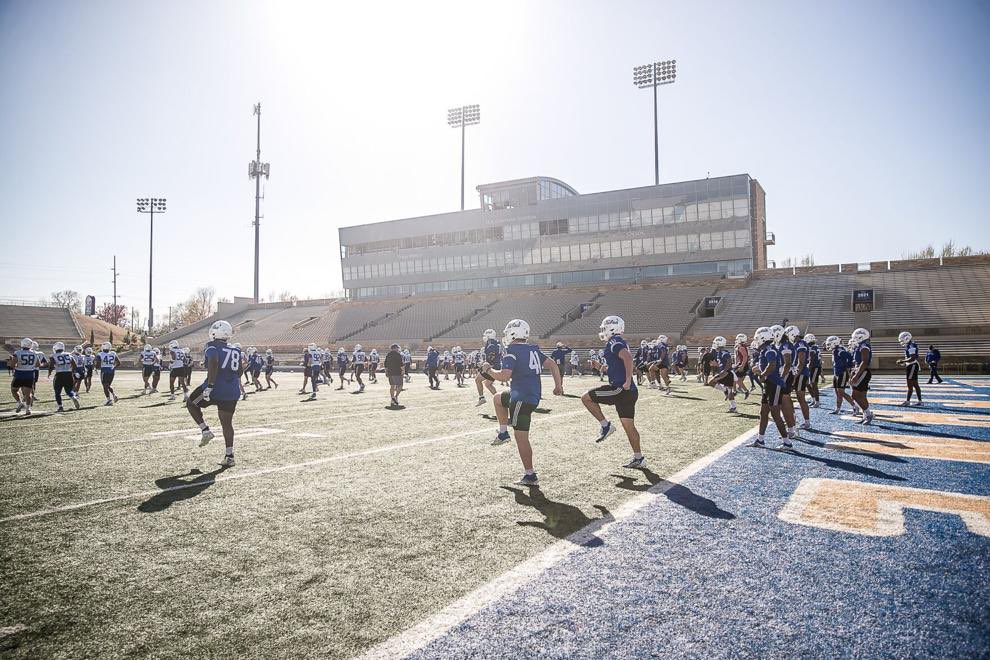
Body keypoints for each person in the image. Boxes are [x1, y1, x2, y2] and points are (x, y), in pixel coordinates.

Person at [482, 319, 563, 486]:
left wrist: (488, 370)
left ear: (512, 333)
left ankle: (530, 474)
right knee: (497, 399)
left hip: (521, 399)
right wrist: (558, 385)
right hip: (528, 395)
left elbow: (504, 376)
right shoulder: (532, 349)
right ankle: (503, 432)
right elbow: (553, 364)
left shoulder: (512, 350)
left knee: (522, 438)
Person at [581, 315, 643, 468]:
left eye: (604, 328)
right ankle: (639, 457)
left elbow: (628, 358)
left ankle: (605, 425)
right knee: (629, 426)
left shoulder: (614, 341)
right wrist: (600, 367)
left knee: (586, 398)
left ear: (612, 328)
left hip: (620, 389)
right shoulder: (617, 342)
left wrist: (628, 380)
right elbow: (616, 369)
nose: (603, 331)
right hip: (628, 391)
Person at [186, 320, 243, 467]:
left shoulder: (212, 346)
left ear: (215, 332)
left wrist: (210, 386)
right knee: (227, 424)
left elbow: (213, 361)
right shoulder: (236, 350)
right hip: (232, 391)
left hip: (215, 388)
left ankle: (205, 430)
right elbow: (240, 371)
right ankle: (229, 456)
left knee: (191, 403)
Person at [747, 326, 792, 449]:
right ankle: (760, 440)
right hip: (769, 385)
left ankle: (787, 442)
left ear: (762, 338)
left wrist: (762, 374)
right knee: (763, 412)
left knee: (775, 414)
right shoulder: (766, 350)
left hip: (774, 384)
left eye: (757, 338)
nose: (756, 341)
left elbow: (772, 365)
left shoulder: (769, 349)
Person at [772, 324, 799, 439]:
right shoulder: (784, 344)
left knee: (784, 403)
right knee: (786, 402)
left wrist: (781, 378)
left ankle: (792, 428)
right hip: (787, 375)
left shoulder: (785, 346)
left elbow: (787, 364)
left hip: (786, 375)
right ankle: (792, 426)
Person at [848, 327, 874, 425]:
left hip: (863, 372)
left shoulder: (864, 346)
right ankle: (866, 415)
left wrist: (856, 375)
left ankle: (868, 414)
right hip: (861, 371)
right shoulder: (860, 346)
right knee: (862, 395)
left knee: (855, 395)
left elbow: (864, 362)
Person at [825, 335, 857, 415]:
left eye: (829, 344)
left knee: (841, 392)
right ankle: (838, 409)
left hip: (842, 373)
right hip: (837, 373)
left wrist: (849, 376)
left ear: (834, 343)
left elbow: (847, 364)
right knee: (837, 392)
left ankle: (855, 406)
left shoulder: (841, 351)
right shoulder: (836, 350)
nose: (828, 346)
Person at [788, 326, 812, 430]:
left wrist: (794, 376)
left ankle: (806, 422)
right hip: (797, 373)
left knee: (801, 398)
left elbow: (801, 363)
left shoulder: (801, 344)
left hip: (801, 373)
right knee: (789, 397)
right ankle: (793, 420)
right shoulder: (797, 344)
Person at [47, 342, 82, 412]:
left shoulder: (53, 356)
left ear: (55, 348)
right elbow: (74, 364)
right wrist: (73, 372)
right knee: (69, 390)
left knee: (57, 392)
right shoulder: (69, 354)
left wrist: (49, 372)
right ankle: (73, 397)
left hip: (59, 374)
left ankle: (60, 407)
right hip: (68, 374)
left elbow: (51, 365)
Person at [708, 336, 737, 412]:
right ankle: (726, 392)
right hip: (725, 372)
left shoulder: (724, 352)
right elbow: (722, 363)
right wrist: (715, 365)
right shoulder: (719, 352)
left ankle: (733, 406)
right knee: (712, 382)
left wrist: (725, 371)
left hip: (726, 373)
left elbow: (729, 361)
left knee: (711, 382)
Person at [10, 338, 38, 414]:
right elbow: (38, 364)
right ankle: (28, 409)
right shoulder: (34, 353)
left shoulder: (17, 352)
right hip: (30, 374)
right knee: (28, 394)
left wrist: (14, 365)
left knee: (14, 389)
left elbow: (12, 365)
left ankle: (19, 403)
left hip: (19, 374)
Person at [897, 331, 923, 406]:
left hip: (912, 366)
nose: (901, 341)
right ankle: (920, 401)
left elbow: (912, 358)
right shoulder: (909, 345)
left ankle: (908, 401)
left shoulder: (911, 345)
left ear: (906, 338)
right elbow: (910, 358)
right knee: (915, 385)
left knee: (910, 384)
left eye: (902, 339)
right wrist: (905, 362)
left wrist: (902, 361)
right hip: (911, 365)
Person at [475, 329, 500, 404]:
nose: (484, 337)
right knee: (488, 384)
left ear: (489, 336)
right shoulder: (496, 343)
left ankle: (481, 398)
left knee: (477, 380)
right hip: (496, 366)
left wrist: (483, 364)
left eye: (486, 335)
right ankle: (498, 399)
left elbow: (491, 356)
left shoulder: (491, 344)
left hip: (492, 367)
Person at [95, 341, 120, 406]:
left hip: (104, 371)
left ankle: (109, 400)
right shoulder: (113, 353)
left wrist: (96, 367)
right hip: (111, 371)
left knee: (105, 386)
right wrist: (113, 367)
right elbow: (118, 363)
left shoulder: (100, 354)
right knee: (107, 385)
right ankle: (114, 395)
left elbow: (98, 364)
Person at [384, 343, 404, 407]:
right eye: (397, 348)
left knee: (392, 386)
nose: (398, 349)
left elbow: (385, 364)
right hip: (397, 372)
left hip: (390, 372)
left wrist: (386, 372)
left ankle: (392, 398)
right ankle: (395, 397)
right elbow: (401, 364)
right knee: (400, 386)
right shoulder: (398, 355)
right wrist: (403, 371)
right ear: (395, 348)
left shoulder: (388, 355)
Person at [805, 334, 822, 407]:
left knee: (813, 384)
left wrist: (808, 368)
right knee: (808, 384)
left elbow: (811, 359)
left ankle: (817, 401)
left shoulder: (812, 347)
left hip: (814, 367)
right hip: (815, 367)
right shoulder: (815, 347)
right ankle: (814, 399)